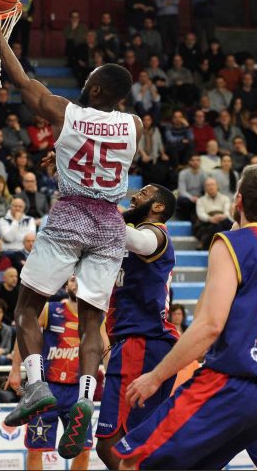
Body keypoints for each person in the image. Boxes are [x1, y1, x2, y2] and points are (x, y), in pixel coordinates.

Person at [0, 7, 141, 451]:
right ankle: (86, 401)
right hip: (110, 223)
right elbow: (107, 156)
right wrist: (68, 158)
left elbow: (22, 81)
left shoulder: (65, 112)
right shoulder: (134, 125)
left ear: (95, 88)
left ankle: (36, 386)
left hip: (71, 213)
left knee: (26, 308)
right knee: (91, 322)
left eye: (89, 80)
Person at [114, 165, 257, 469]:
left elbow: (209, 324)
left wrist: (155, 377)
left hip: (227, 384)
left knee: (133, 463)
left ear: (238, 201)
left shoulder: (232, 243)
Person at [95, 184, 179, 469]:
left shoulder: (156, 234)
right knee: (124, 444)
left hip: (142, 341)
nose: (134, 196)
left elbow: (141, 242)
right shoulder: (133, 233)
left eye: (143, 193)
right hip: (133, 342)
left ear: (158, 207)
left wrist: (102, 208)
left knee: (117, 443)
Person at [9, 277, 98, 470]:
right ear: (66, 286)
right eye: (73, 280)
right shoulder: (50, 309)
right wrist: (15, 369)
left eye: (81, 279)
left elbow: (105, 348)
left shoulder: (94, 316)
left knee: (83, 449)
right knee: (36, 449)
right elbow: (24, 334)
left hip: (77, 391)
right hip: (48, 388)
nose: (76, 284)